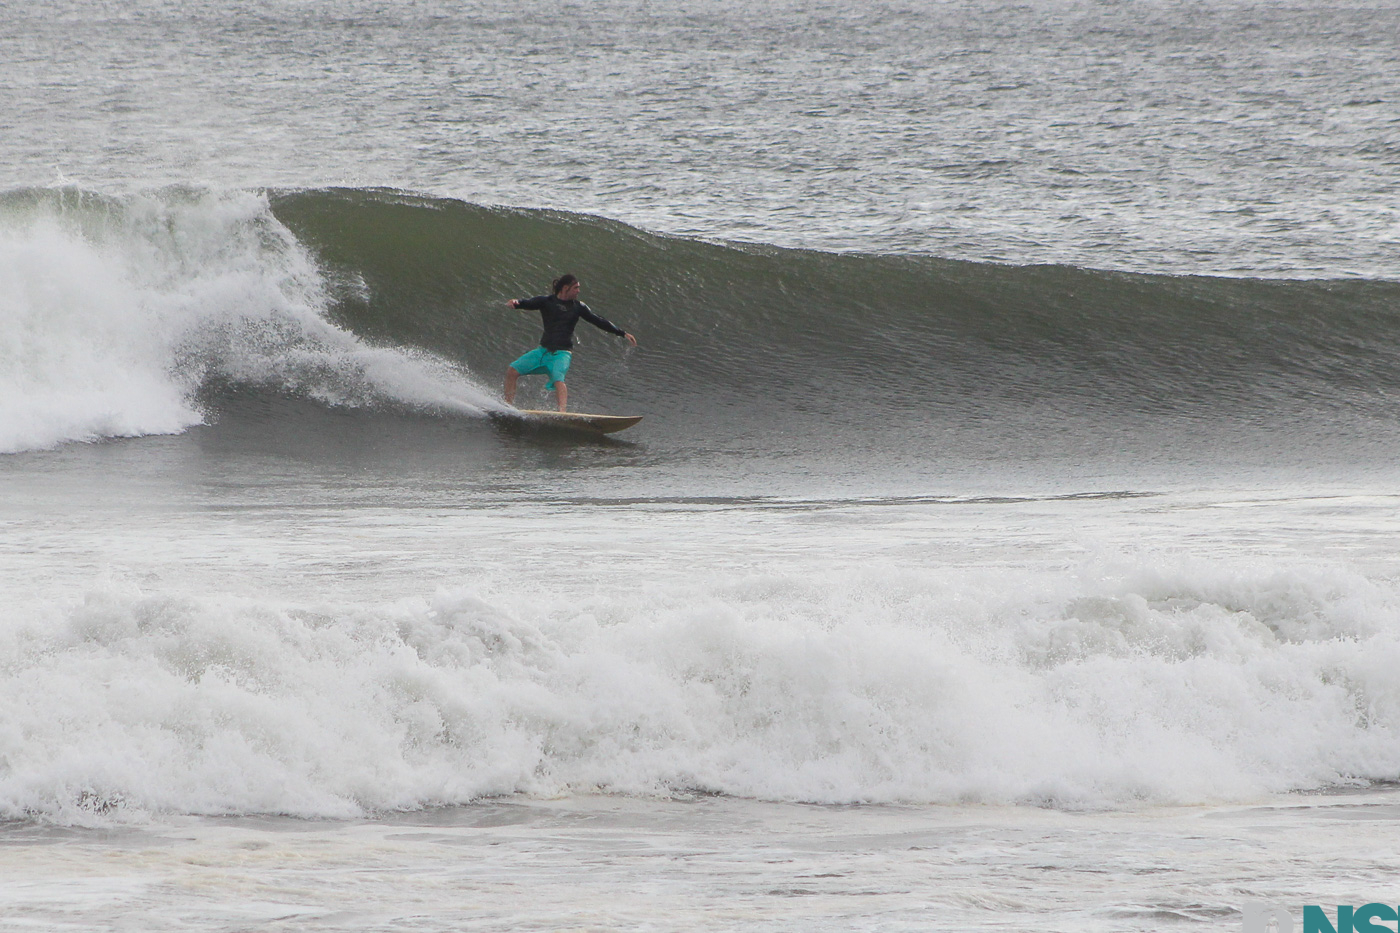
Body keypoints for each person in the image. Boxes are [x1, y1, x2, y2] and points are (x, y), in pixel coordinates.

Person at [503, 274, 637, 412]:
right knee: (512, 370)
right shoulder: (546, 301)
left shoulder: (578, 307)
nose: (578, 291)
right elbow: (527, 303)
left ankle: (562, 413)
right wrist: (515, 302)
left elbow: (598, 320)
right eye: (576, 288)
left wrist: (622, 333)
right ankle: (508, 406)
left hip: (562, 353)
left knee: (558, 378)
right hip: (543, 351)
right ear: (565, 288)